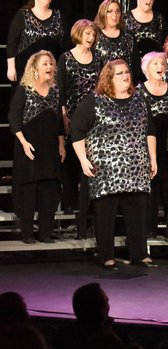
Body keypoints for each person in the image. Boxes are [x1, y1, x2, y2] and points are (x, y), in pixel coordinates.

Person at [71, 60, 158, 270]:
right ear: (109, 78)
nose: (126, 76)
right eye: (120, 73)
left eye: (127, 72)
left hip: (136, 167)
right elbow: (77, 130)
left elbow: (150, 131)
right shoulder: (95, 101)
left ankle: (139, 254)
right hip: (106, 170)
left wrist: (152, 158)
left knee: (137, 214)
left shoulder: (140, 100)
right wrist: (83, 159)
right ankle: (106, 255)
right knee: (105, 215)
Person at [8, 50, 65, 243]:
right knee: (29, 190)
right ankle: (27, 232)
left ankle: (45, 233)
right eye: (45, 64)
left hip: (50, 146)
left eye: (51, 63)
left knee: (48, 189)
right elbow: (14, 119)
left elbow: (58, 121)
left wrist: (61, 144)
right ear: (35, 68)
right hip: (29, 145)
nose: (49, 67)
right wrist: (24, 143)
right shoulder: (24, 89)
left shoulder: (56, 90)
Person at [57, 19, 101, 236]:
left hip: (94, 119)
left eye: (93, 34)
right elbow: (61, 90)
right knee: (73, 163)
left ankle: (89, 214)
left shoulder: (99, 59)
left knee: (91, 163)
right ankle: (69, 211)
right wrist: (64, 115)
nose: (91, 37)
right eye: (87, 33)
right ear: (78, 34)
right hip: (72, 117)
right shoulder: (65, 58)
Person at [137, 51, 168, 240]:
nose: (160, 67)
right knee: (151, 189)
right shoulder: (139, 90)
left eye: (162, 63)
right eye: (155, 63)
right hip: (147, 143)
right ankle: (148, 230)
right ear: (147, 68)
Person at [6, 0, 64, 82]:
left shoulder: (58, 15)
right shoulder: (23, 15)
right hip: (26, 69)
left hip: (50, 70)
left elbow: (65, 42)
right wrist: (11, 68)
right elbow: (12, 42)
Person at [125, 0, 165, 80]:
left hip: (155, 68)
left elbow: (164, 44)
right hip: (133, 68)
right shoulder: (126, 18)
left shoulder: (158, 18)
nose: (149, 0)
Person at [93, 0, 134, 68]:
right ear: (103, 13)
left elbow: (135, 64)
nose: (114, 15)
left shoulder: (128, 36)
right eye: (109, 11)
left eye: (117, 11)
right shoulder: (95, 35)